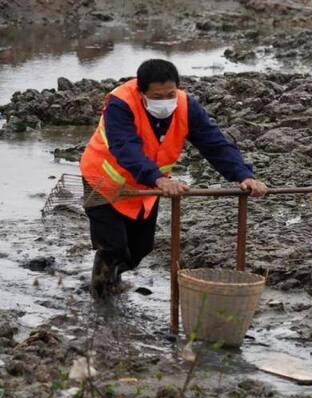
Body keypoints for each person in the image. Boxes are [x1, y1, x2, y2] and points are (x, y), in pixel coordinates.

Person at [79, 59, 267, 297]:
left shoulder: (187, 106)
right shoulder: (121, 103)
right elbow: (124, 146)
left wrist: (243, 175)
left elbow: (214, 143)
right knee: (113, 247)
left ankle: (113, 277)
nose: (165, 102)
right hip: (103, 181)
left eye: (170, 94)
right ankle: (101, 298)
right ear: (141, 92)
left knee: (140, 249)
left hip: (146, 187)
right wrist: (157, 178)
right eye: (157, 97)